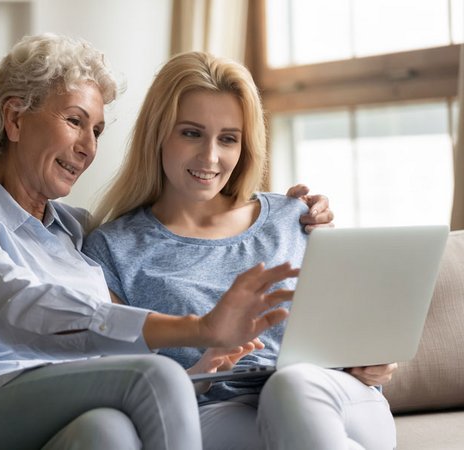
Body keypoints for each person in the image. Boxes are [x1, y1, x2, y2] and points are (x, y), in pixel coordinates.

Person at [0, 34, 326, 450]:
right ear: (13, 118)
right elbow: (24, 310)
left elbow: (105, 350)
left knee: (107, 431)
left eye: (97, 131)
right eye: (75, 121)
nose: (88, 146)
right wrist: (197, 328)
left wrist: (200, 372)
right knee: (156, 377)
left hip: (52, 401)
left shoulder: (77, 232)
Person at [83, 51, 398, 449]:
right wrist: (202, 369)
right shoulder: (112, 249)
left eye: (228, 138)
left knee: (292, 385)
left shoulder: (293, 217)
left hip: (334, 398)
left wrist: (370, 360)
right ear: (158, 133)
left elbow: (352, 329)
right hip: (217, 413)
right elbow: (118, 384)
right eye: (191, 133)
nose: (210, 157)